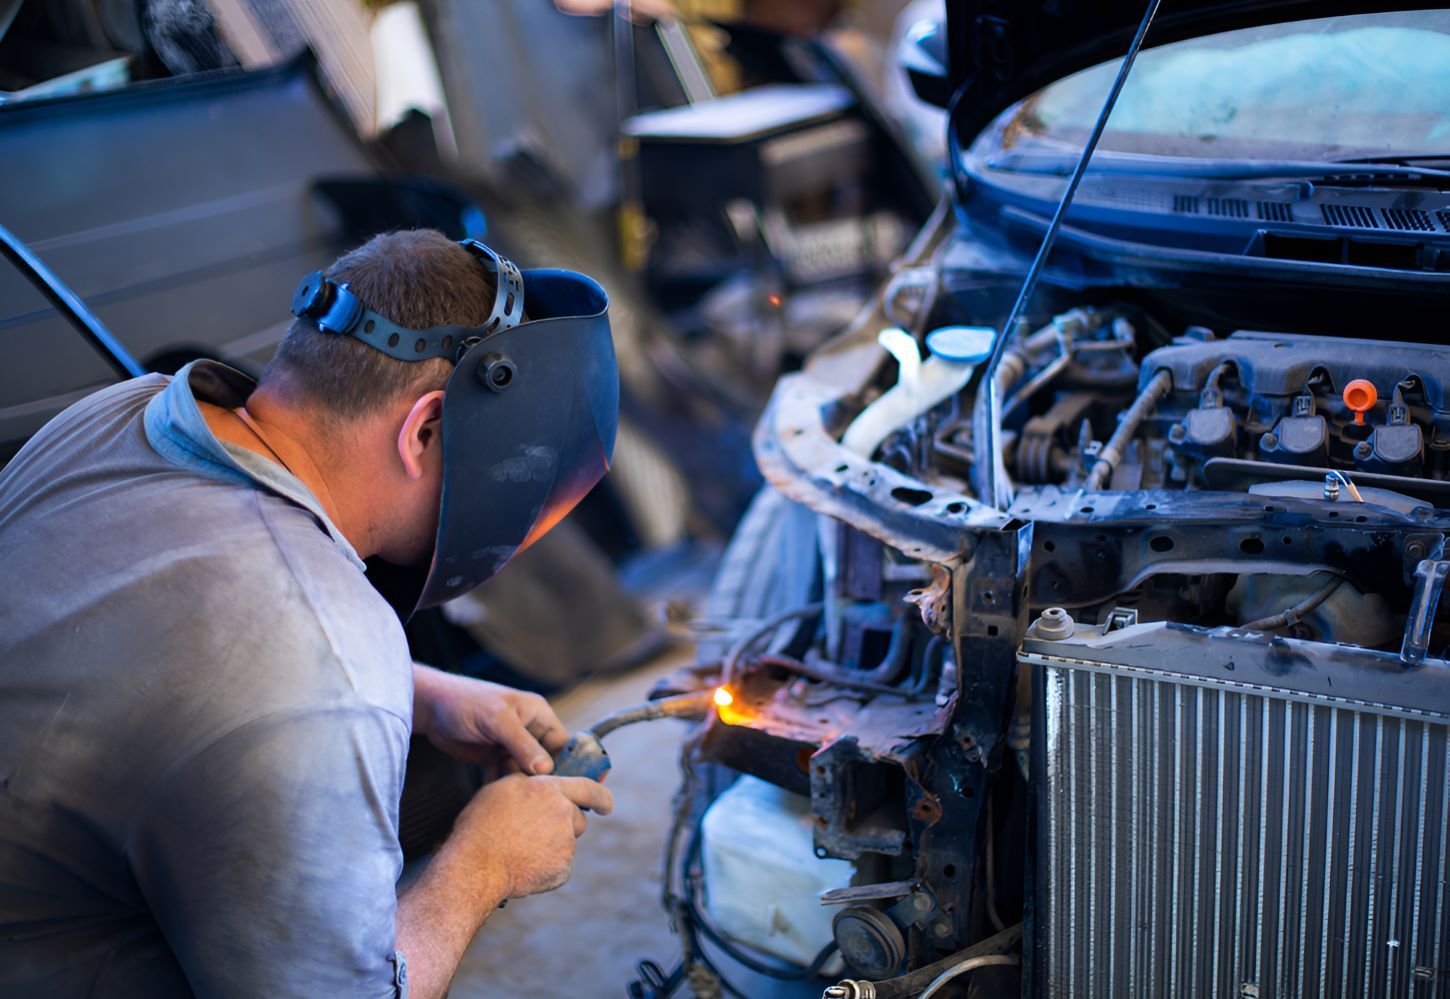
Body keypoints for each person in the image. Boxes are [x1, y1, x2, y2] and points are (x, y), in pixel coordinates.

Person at [0, 229, 617, 998]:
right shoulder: (324, 665)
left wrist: (421, 690)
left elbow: (156, 644)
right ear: (425, 429)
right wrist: (485, 861)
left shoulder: (119, 415)